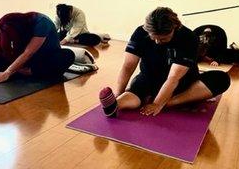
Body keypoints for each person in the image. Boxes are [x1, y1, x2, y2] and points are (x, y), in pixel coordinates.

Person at [99, 7, 231, 117]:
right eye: (153, 37)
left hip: (183, 84)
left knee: (221, 78)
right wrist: (118, 92)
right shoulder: (140, 32)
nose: (157, 42)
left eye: (163, 39)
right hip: (148, 79)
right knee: (135, 91)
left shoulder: (188, 38)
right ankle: (114, 105)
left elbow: (174, 77)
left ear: (175, 28)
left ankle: (168, 102)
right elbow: (128, 66)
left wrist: (157, 104)